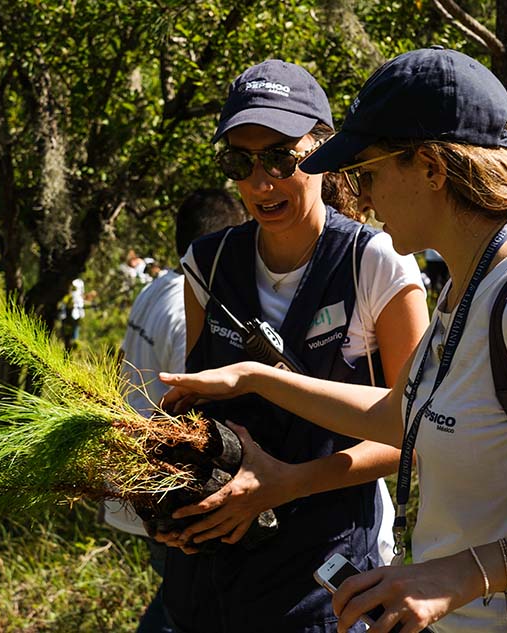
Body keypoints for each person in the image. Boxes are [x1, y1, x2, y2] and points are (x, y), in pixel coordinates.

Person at [158, 48, 507, 632]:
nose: (360, 197)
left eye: (369, 173)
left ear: (432, 169)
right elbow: (403, 415)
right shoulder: (465, 289)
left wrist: (461, 576)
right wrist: (256, 376)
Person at [153, 59, 430, 632]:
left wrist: (286, 484)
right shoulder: (209, 263)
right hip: (220, 562)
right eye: (240, 161)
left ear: (323, 152)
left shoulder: (374, 263)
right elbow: (196, 408)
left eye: (283, 156)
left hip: (328, 564)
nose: (261, 182)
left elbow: (419, 437)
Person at [111, 188, 249, 633]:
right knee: (185, 608)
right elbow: (188, 407)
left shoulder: (156, 289)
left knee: (177, 603)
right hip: (166, 487)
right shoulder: (186, 306)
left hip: (141, 477)